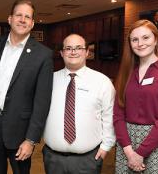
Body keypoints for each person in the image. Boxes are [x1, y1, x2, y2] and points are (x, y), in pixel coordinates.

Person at [0, 0, 53, 174]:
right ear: (10, 19)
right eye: (18, 15)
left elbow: (42, 102)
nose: (22, 20)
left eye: (27, 17)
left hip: (21, 131)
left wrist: (31, 139)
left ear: (32, 23)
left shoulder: (43, 55)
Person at [43, 34, 116, 174]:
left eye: (78, 48)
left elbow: (109, 116)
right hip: (53, 159)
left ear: (87, 52)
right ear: (62, 53)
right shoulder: (49, 80)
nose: (73, 52)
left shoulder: (102, 82)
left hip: (88, 160)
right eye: (68, 48)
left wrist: (106, 146)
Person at [114, 19, 158, 173]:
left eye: (145, 37)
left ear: (156, 39)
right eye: (135, 39)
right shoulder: (126, 72)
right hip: (126, 144)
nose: (140, 43)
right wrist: (129, 151)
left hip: (156, 143)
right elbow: (118, 114)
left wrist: (141, 153)